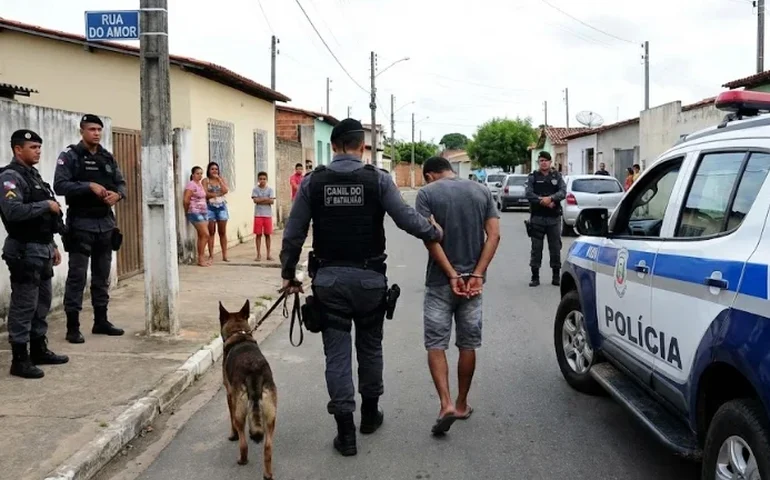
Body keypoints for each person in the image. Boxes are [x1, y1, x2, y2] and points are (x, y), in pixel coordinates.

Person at [279, 118, 444, 457]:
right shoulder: (378, 180)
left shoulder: (314, 182)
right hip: (370, 283)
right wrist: (434, 232)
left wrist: (288, 273)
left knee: (336, 355)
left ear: (336, 146)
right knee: (370, 349)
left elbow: (294, 233)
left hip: (330, 283)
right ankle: (369, 416)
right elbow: (405, 219)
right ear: (361, 147)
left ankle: (346, 433)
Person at [415, 156, 500, 436]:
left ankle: (446, 403)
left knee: (436, 343)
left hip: (441, 281)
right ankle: (463, 404)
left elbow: (431, 238)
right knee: (468, 344)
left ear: (429, 175)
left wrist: (451, 273)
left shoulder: (426, 194)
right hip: (472, 285)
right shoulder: (481, 191)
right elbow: (494, 235)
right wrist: (476, 274)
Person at [1, 129, 69, 378]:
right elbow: (13, 211)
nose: (38, 151)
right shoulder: (10, 177)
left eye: (39, 147)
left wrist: (51, 245)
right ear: (18, 149)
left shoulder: (34, 176)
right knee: (24, 304)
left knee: (42, 302)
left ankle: (39, 349)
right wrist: (46, 205)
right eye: (33, 147)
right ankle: (20, 359)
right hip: (23, 249)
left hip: (41, 248)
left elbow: (45, 218)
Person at [54, 114, 127, 344]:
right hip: (80, 225)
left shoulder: (107, 157)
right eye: (92, 129)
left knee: (101, 276)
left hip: (105, 225)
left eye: (99, 129)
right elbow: (60, 185)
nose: (96, 133)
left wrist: (119, 194)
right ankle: (73, 327)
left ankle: (101, 321)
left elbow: (121, 182)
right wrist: (88, 186)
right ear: (82, 131)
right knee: (76, 277)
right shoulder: (71, 156)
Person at [525, 151, 566, 288]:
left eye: (546, 160)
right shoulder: (533, 177)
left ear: (550, 162)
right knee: (536, 249)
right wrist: (543, 201)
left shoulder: (557, 176)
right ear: (538, 162)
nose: (544, 163)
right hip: (537, 218)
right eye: (541, 160)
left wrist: (552, 199)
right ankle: (535, 277)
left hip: (553, 219)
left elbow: (563, 192)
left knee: (555, 248)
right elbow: (529, 193)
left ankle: (556, 276)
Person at [183, 166, 211, 267]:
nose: (200, 175)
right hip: (195, 212)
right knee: (206, 234)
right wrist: (187, 211)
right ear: (193, 174)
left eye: (201, 173)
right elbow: (186, 199)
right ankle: (201, 258)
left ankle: (200, 258)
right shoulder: (191, 185)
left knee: (201, 235)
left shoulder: (199, 184)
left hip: (204, 211)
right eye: (198, 173)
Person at [202, 162, 229, 262]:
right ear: (208, 170)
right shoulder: (206, 181)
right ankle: (211, 254)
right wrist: (218, 194)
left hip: (221, 207)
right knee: (211, 232)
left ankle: (224, 255)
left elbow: (225, 190)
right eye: (212, 169)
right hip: (210, 208)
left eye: (216, 169)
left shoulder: (221, 179)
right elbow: (205, 194)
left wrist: (219, 181)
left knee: (222, 232)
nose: (214, 171)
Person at [251, 171, 275, 261]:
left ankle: (268, 254)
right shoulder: (255, 189)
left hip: (267, 215)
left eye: (264, 179)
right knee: (258, 235)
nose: (262, 181)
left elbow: (271, 201)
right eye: (260, 179)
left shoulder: (270, 190)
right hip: (258, 215)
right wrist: (266, 198)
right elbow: (255, 200)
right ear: (258, 180)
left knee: (267, 235)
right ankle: (258, 254)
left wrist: (261, 200)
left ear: (267, 180)